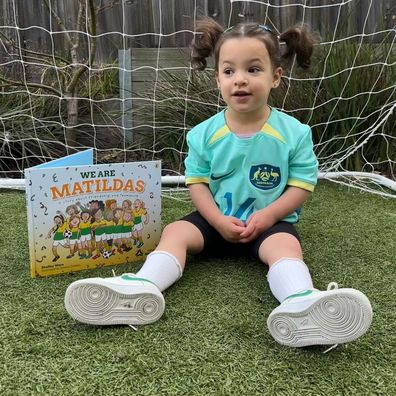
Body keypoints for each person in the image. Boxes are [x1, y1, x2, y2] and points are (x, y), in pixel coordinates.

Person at [64, 18, 372, 347]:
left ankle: (300, 302)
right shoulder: (204, 134)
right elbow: (196, 184)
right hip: (214, 221)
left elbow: (301, 185)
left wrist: (268, 217)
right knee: (175, 232)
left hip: (268, 224)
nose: (240, 79)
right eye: (229, 71)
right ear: (218, 79)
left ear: (275, 78)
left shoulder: (294, 133)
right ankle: (141, 286)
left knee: (286, 247)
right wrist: (216, 220)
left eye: (253, 70)